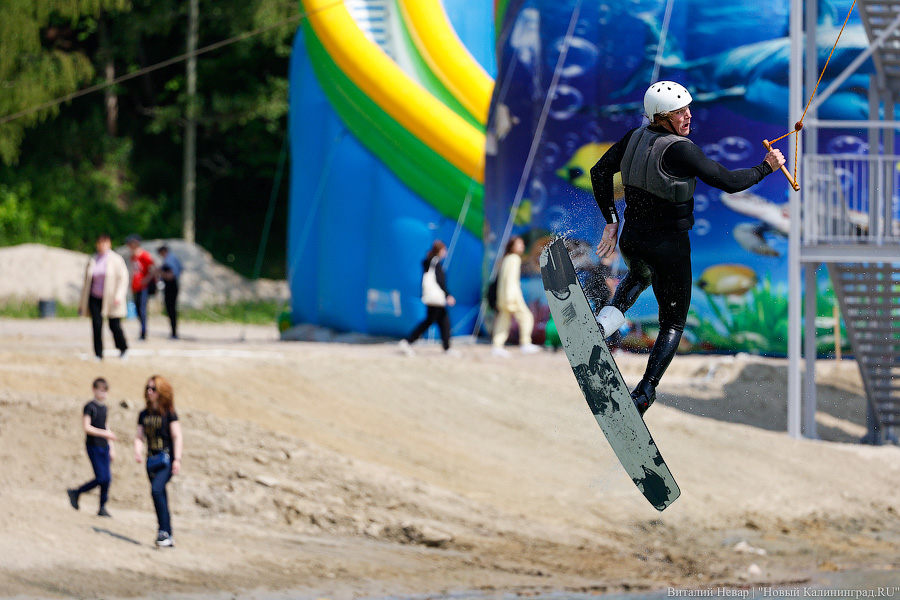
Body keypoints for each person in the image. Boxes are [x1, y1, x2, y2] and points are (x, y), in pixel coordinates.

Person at [589, 81, 785, 416]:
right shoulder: (681, 150)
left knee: (638, 276)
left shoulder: (633, 137)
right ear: (661, 117)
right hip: (668, 247)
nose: (688, 115)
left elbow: (599, 171)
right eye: (679, 112)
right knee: (673, 323)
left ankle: (601, 326)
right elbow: (728, 181)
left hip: (632, 240)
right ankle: (645, 393)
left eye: (688, 109)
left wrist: (611, 220)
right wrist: (766, 167)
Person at [134, 374, 183, 548]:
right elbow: (139, 436)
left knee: (156, 490)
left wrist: (177, 459)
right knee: (159, 495)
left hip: (166, 459)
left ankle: (163, 532)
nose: (149, 391)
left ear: (161, 391)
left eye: (153, 389)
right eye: (148, 388)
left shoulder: (169, 414)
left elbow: (177, 436)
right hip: (151, 460)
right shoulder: (143, 414)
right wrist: (138, 451)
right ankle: (167, 534)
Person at [67, 377, 118, 517]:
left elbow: (105, 426)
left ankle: (102, 507)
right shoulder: (89, 407)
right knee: (101, 478)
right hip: (93, 446)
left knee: (107, 479)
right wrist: (105, 433)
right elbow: (87, 427)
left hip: (104, 446)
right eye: (101, 390)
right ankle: (76, 492)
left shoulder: (104, 408)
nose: (103, 393)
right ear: (94, 390)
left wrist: (112, 447)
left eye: (105, 391)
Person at [398, 240, 458, 356]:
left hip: (431, 298)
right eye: (444, 250)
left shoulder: (428, 262)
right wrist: (447, 295)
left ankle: (447, 347)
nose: (445, 252)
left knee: (443, 321)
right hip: (436, 299)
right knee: (430, 321)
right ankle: (408, 341)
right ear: (439, 251)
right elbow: (440, 281)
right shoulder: (436, 263)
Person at [78, 234, 129, 360]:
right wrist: (82, 302)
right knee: (96, 325)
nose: (102, 245)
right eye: (100, 242)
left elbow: (123, 279)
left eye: (105, 242)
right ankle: (98, 353)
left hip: (111, 298)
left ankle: (123, 348)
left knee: (114, 325)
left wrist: (118, 296)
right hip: (95, 297)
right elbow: (86, 282)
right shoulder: (93, 259)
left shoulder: (116, 259)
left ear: (109, 244)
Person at [491, 236, 541, 357]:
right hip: (512, 296)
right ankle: (525, 343)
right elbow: (510, 279)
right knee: (526, 317)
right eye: (519, 244)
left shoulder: (506, 258)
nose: (522, 246)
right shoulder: (514, 258)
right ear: (512, 246)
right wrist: (509, 297)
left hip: (503, 295)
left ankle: (497, 346)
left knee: (503, 320)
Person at [127, 234, 155, 341]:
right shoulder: (133, 256)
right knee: (137, 309)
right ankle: (141, 330)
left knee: (142, 309)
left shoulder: (144, 255)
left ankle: (143, 332)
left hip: (144, 286)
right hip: (135, 286)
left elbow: (152, 268)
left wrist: (146, 279)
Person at [156, 245, 183, 339]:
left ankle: (174, 332)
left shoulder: (169, 260)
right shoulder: (172, 258)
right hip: (171, 285)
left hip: (171, 285)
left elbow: (170, 276)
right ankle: (173, 331)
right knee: (171, 309)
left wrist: (159, 272)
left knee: (171, 309)